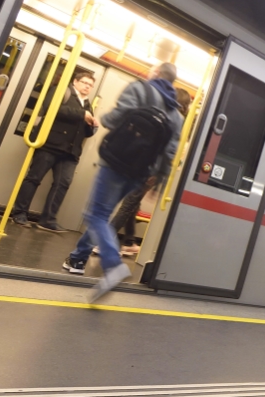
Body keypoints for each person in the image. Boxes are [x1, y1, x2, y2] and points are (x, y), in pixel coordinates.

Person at [62, 63, 184, 301]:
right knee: (102, 215)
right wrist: (158, 180)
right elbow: (170, 152)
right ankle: (78, 257)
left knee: (95, 214)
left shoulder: (140, 89)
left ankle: (113, 264)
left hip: (116, 162)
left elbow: (115, 119)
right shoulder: (176, 115)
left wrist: (102, 118)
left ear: (157, 74)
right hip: (140, 172)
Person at [108, 88, 193, 258]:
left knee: (129, 202)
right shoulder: (177, 120)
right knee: (133, 203)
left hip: (151, 167)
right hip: (150, 166)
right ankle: (130, 242)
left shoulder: (173, 120)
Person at [11, 72, 98, 232]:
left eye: (90, 85)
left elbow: (84, 132)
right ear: (75, 81)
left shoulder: (87, 104)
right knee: (34, 178)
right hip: (49, 144)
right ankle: (19, 213)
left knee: (63, 183)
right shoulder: (61, 92)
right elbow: (52, 109)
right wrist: (81, 114)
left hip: (71, 151)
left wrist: (92, 126)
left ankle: (47, 219)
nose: (87, 86)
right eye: (84, 82)